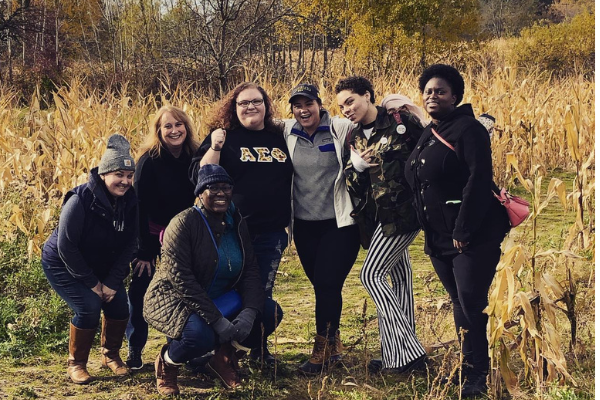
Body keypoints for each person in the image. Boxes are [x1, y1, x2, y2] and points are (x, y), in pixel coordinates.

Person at [404, 64, 510, 398]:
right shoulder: (430, 130)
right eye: (428, 91)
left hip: (470, 236)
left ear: (455, 96)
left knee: (471, 301)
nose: (432, 96)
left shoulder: (467, 130)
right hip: (438, 237)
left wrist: (463, 230)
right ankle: (468, 368)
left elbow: (478, 182)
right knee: (458, 302)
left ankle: (478, 376)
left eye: (440, 91)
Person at [144, 164, 283, 396]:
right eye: (213, 188)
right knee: (200, 337)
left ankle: (222, 360)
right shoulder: (183, 223)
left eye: (226, 187)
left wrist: (249, 312)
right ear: (200, 193)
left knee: (269, 314)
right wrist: (217, 321)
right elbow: (182, 280)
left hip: (222, 295)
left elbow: (249, 269)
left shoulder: (236, 220)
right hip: (179, 299)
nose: (221, 193)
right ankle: (167, 363)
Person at [189, 82, 292, 364]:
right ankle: (214, 348)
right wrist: (217, 146)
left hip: (270, 231)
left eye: (256, 101)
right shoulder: (223, 137)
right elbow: (200, 175)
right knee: (226, 289)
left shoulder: (279, 137)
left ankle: (256, 346)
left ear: (266, 105)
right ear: (234, 108)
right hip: (230, 232)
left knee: (261, 291)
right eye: (243, 103)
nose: (250, 107)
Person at [335, 76, 426, 374]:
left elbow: (430, 149)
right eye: (341, 106)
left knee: (371, 275)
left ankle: (410, 348)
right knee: (400, 279)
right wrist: (355, 167)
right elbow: (354, 183)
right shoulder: (354, 137)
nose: (347, 110)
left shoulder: (400, 121)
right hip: (377, 219)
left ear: (367, 95)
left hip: (404, 214)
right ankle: (395, 357)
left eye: (351, 101)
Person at [41, 134, 138, 384]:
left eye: (129, 175)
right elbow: (67, 247)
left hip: (103, 263)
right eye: (119, 175)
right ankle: (76, 364)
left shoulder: (131, 201)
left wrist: (113, 282)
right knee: (89, 307)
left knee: (119, 306)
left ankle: (110, 355)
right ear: (104, 174)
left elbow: (131, 243)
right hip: (63, 262)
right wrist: (93, 284)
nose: (125, 181)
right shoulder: (80, 200)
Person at [282, 84, 360, 373]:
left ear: (320, 104)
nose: (304, 110)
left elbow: (370, 118)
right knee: (323, 287)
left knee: (327, 283)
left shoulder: (339, 127)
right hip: (304, 225)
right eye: (297, 105)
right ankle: (334, 342)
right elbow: (254, 120)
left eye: (309, 104)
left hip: (339, 223)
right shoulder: (287, 131)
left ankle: (322, 349)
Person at [125, 105, 200, 369]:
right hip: (151, 233)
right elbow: (139, 208)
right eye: (167, 126)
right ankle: (135, 348)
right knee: (140, 291)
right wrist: (143, 251)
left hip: (183, 235)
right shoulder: (148, 161)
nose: (174, 130)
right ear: (158, 131)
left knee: (183, 289)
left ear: (186, 128)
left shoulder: (194, 157)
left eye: (178, 125)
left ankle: (179, 347)